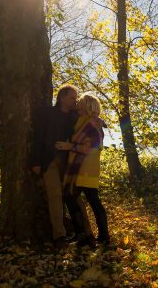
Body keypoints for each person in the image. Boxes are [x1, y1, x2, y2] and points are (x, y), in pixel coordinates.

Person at [31, 84, 94, 249]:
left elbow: (91, 121)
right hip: (48, 161)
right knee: (55, 196)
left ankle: (88, 234)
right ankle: (59, 236)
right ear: (62, 98)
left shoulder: (75, 116)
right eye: (72, 97)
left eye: (76, 97)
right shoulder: (48, 113)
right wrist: (35, 162)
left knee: (75, 197)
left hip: (70, 163)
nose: (75, 100)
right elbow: (38, 137)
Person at [55, 93, 110, 246]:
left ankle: (101, 236)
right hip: (79, 168)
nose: (77, 105)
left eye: (80, 103)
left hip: (87, 169)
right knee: (75, 198)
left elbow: (91, 148)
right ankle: (86, 235)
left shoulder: (94, 124)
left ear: (87, 106)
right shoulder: (81, 121)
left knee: (88, 200)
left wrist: (69, 146)